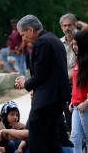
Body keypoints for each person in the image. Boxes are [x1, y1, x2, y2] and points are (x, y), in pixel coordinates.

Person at [14, 15, 71, 153]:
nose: (23, 38)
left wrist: (25, 83)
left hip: (46, 101)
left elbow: (40, 75)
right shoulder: (54, 39)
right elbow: (50, 71)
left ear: (31, 29)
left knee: (37, 138)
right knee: (53, 139)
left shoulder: (42, 42)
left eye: (23, 34)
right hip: (57, 98)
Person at [69, 30, 88, 153]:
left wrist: (85, 103)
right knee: (74, 139)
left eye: (76, 44)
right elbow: (76, 85)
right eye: (73, 44)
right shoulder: (78, 62)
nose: (74, 47)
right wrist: (72, 101)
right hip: (76, 106)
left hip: (85, 106)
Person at [59, 13, 78, 135]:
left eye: (69, 25)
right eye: (64, 26)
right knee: (67, 112)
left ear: (75, 25)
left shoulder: (82, 40)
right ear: (61, 27)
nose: (67, 28)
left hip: (79, 83)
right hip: (64, 84)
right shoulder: (58, 43)